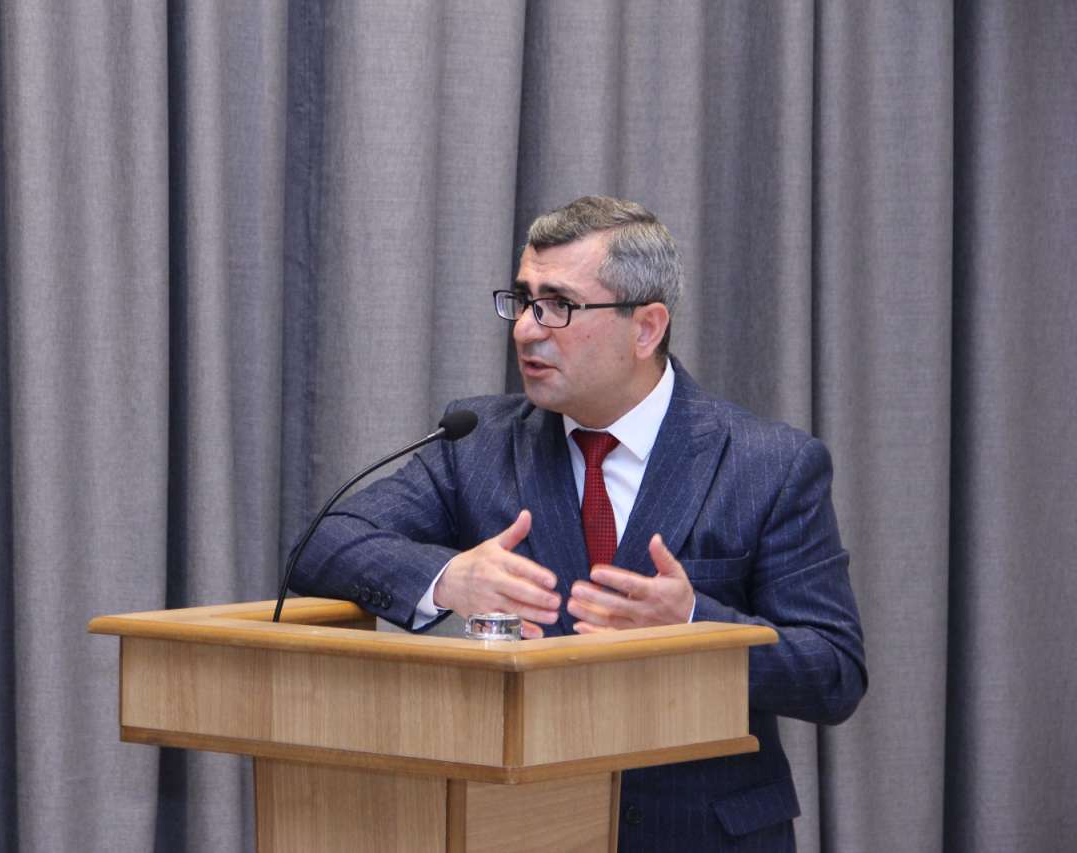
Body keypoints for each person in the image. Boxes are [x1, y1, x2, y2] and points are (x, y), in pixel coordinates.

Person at [291, 195, 867, 852]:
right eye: (523, 300)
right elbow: (321, 543)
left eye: (558, 305)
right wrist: (449, 578)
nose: (525, 329)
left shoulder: (769, 464)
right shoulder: (478, 446)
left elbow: (833, 671)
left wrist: (691, 626)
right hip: (529, 829)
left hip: (705, 834)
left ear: (645, 328)